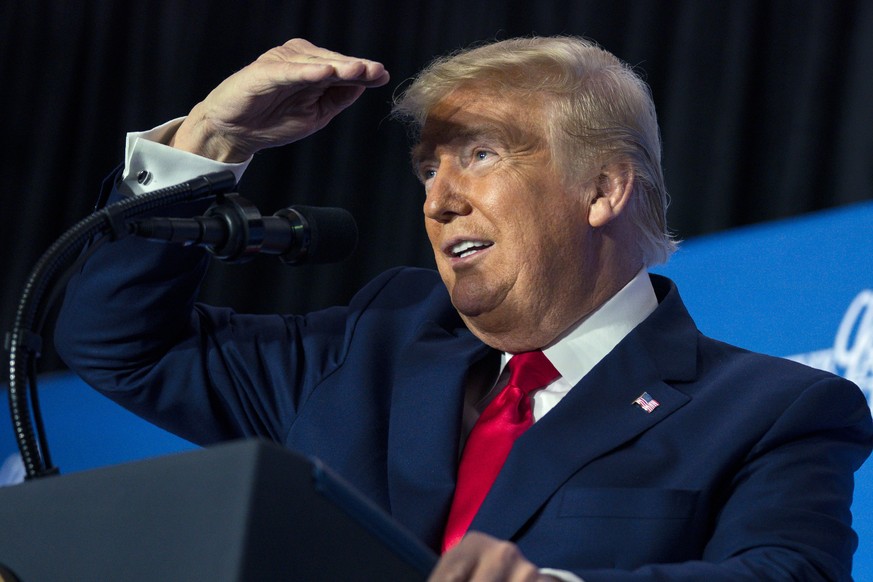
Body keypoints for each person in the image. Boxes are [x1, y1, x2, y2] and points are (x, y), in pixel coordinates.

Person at [55, 37, 872, 581]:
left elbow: (786, 573)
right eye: (427, 170)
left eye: (480, 155)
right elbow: (121, 342)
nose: (439, 201)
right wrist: (204, 144)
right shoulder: (372, 344)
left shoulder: (770, 409)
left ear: (603, 189)